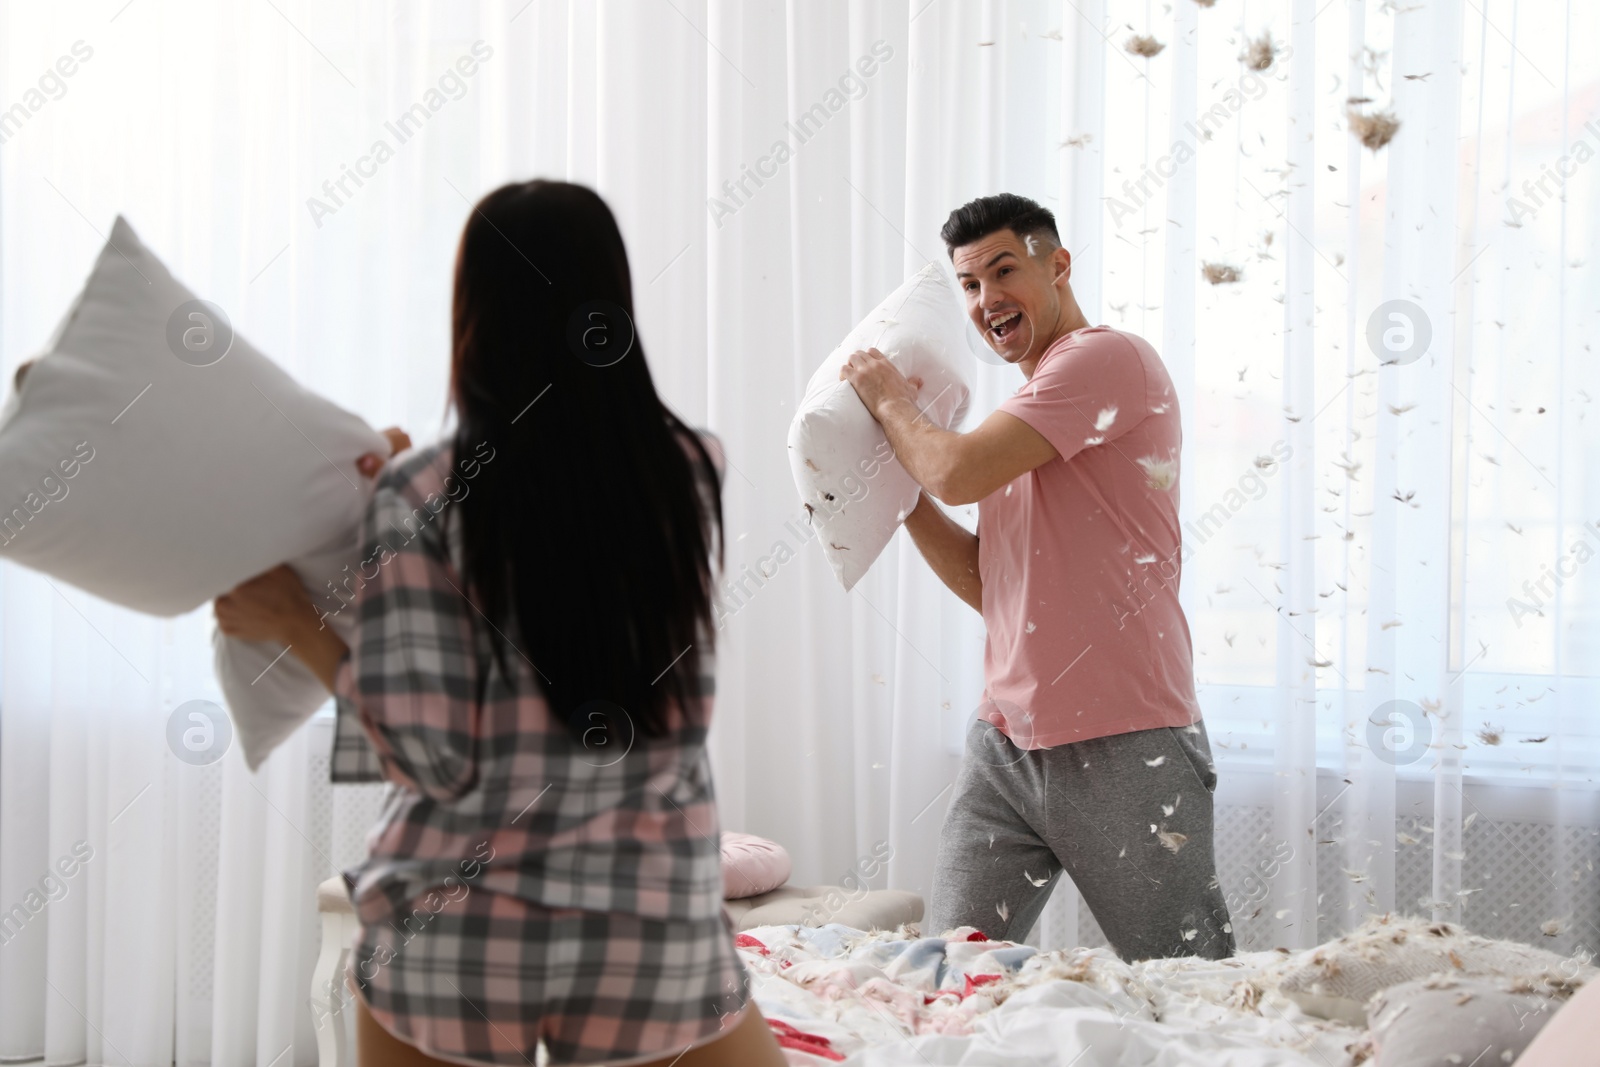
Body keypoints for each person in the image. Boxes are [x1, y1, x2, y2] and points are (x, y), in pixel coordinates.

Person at [214, 180, 786, 1067]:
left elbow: (432, 757)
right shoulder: (688, 468)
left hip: (461, 924)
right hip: (648, 922)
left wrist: (302, 616)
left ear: (475, 312)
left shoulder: (422, 494)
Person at [838, 193, 1234, 961]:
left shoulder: (1104, 360)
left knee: (1191, 984)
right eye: (968, 284)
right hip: (1007, 740)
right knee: (948, 970)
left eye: (1003, 270)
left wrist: (887, 400)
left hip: (1126, 738)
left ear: (1058, 265)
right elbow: (994, 587)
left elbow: (954, 469)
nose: (987, 299)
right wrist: (897, 490)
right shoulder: (1027, 415)